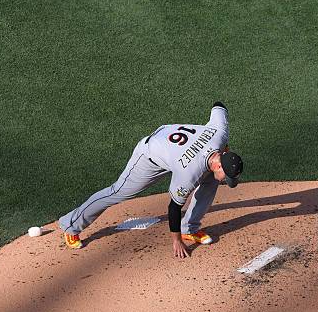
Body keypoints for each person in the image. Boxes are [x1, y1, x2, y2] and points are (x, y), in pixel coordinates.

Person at [57, 101, 243, 258]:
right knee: (119, 191)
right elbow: (174, 207)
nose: (225, 180)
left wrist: (223, 147)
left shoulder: (220, 133)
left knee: (211, 181)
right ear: (219, 165)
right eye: (226, 177)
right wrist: (175, 241)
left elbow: (219, 106)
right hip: (150, 154)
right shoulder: (189, 172)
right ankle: (71, 225)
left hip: (173, 147)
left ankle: (190, 228)